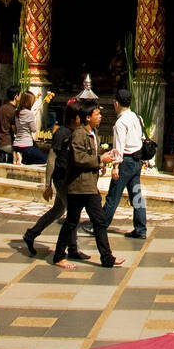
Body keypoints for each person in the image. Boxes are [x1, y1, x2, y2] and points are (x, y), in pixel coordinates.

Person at [53, 102, 123, 269]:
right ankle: (58, 256)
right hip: (78, 187)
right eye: (97, 114)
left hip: (90, 186)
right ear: (88, 117)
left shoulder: (94, 133)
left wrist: (101, 163)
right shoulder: (79, 134)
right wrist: (99, 160)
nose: (100, 117)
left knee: (99, 222)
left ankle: (107, 258)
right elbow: (79, 158)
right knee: (71, 222)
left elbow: (90, 156)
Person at [22, 104, 89, 260]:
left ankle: (31, 234)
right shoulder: (62, 133)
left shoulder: (75, 132)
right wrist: (48, 184)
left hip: (69, 178)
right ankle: (72, 249)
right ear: (75, 118)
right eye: (80, 116)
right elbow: (51, 159)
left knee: (57, 211)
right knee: (73, 213)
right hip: (61, 179)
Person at [98, 88, 148, 240]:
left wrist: (115, 167)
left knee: (113, 196)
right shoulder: (137, 117)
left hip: (125, 162)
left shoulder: (120, 123)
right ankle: (140, 228)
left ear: (116, 103)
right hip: (136, 161)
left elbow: (118, 147)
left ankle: (100, 226)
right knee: (137, 195)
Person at [12, 89, 47, 165]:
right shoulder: (29, 114)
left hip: (16, 144)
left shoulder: (17, 112)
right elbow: (34, 129)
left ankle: (18, 156)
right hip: (26, 145)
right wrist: (34, 117)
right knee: (43, 159)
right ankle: (22, 158)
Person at [0, 85, 21, 164]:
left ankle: (2, 155)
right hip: (7, 142)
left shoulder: (2, 108)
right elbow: (14, 128)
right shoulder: (13, 110)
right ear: (16, 96)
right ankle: (8, 157)